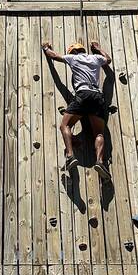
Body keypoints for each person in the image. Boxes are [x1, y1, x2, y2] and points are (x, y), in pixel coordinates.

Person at [42, 40, 112, 180]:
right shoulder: (95, 58)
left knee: (65, 125)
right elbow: (108, 60)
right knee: (99, 133)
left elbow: (54, 56)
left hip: (82, 95)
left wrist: (46, 48)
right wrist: (98, 49)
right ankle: (100, 162)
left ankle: (70, 156)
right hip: (97, 96)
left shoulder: (73, 58)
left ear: (73, 51)